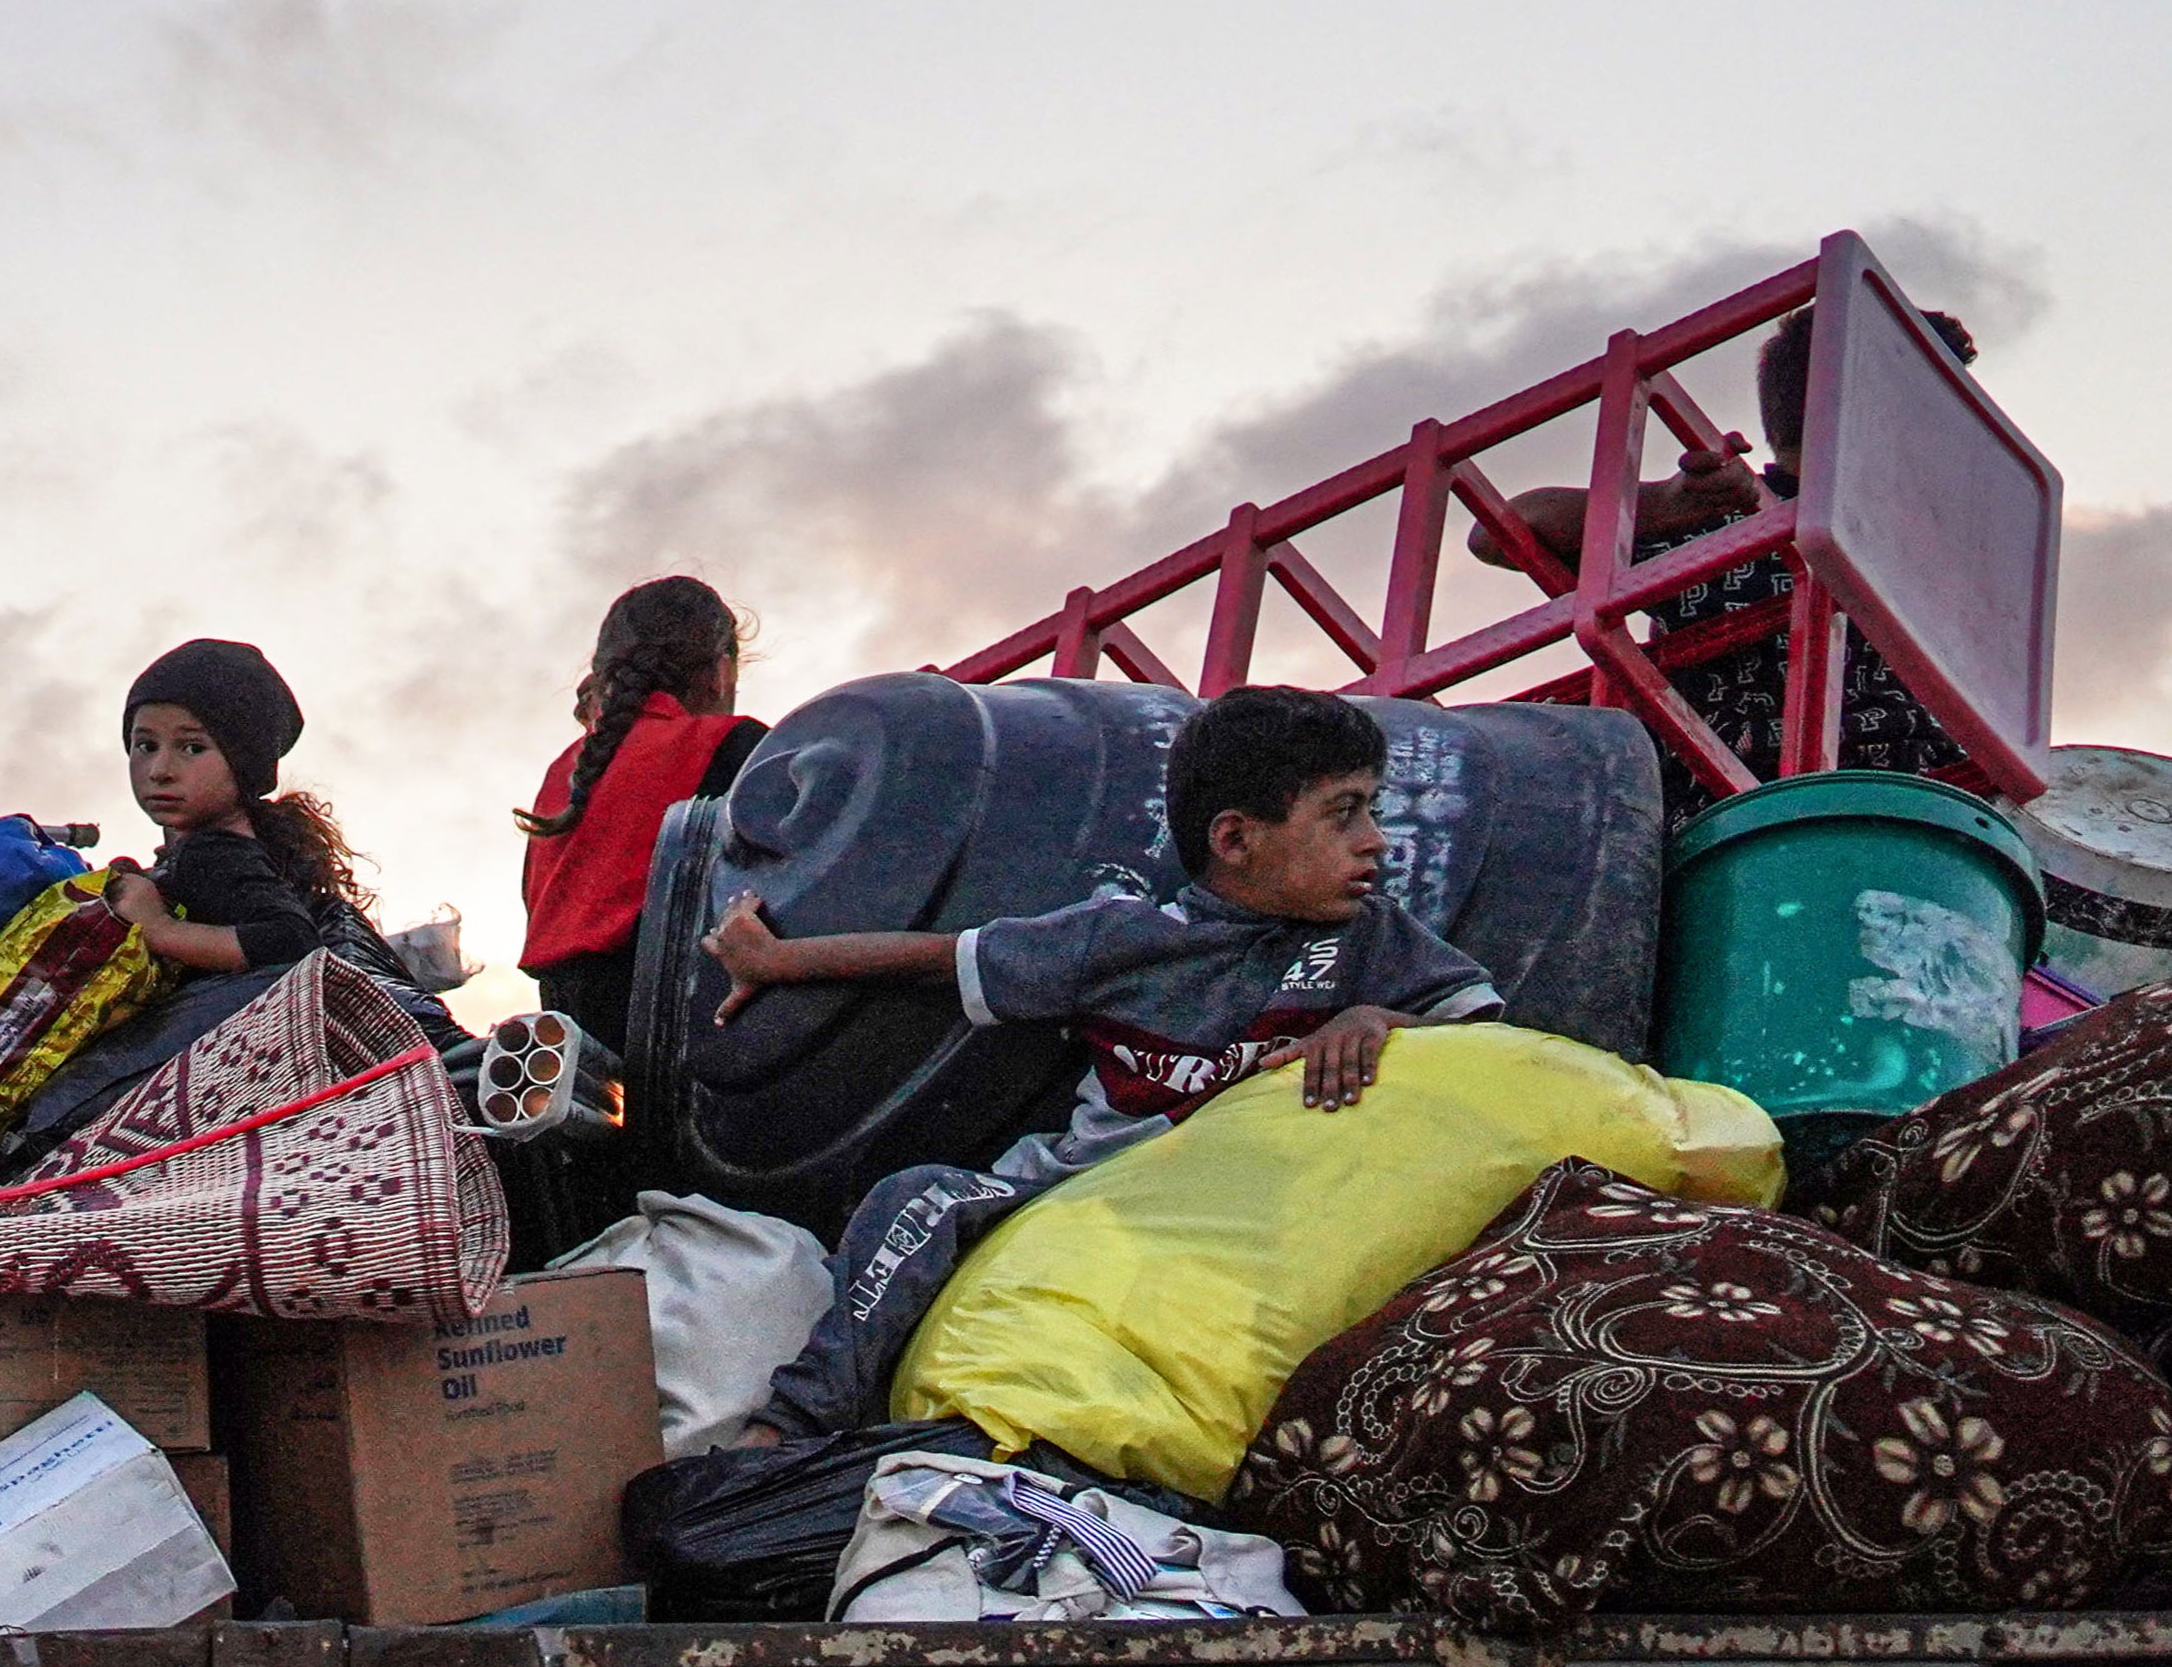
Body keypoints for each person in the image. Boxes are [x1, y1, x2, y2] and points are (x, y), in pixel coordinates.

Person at [718, 686, 1504, 1443]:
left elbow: (1497, 1046)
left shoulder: (1368, 939)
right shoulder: (1121, 938)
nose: (1374, 840)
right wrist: (776, 961)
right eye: (1342, 813)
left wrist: (1377, 1020)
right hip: (1087, 1191)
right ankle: (789, 1429)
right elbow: (936, 957)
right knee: (916, 1199)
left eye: (1372, 808)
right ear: (1234, 840)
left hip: (1241, 1209)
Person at [1467, 301, 1985, 817]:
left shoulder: (1941, 554)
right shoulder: (1732, 516)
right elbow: (1503, 531)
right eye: (1941, 411)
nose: (1957, 438)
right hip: (1749, 809)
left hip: (1933, 811)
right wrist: (1671, 506)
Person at [100, 636, 467, 1056]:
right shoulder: (226, 846)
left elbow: (289, 942)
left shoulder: (214, 853)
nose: (160, 770)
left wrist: (159, 930)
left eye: (192, 748)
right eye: (145, 746)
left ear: (244, 763)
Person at [516, 579, 762, 1055]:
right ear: (721, 671)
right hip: (688, 1036)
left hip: (571, 1047)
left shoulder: (562, 774)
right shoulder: (734, 746)